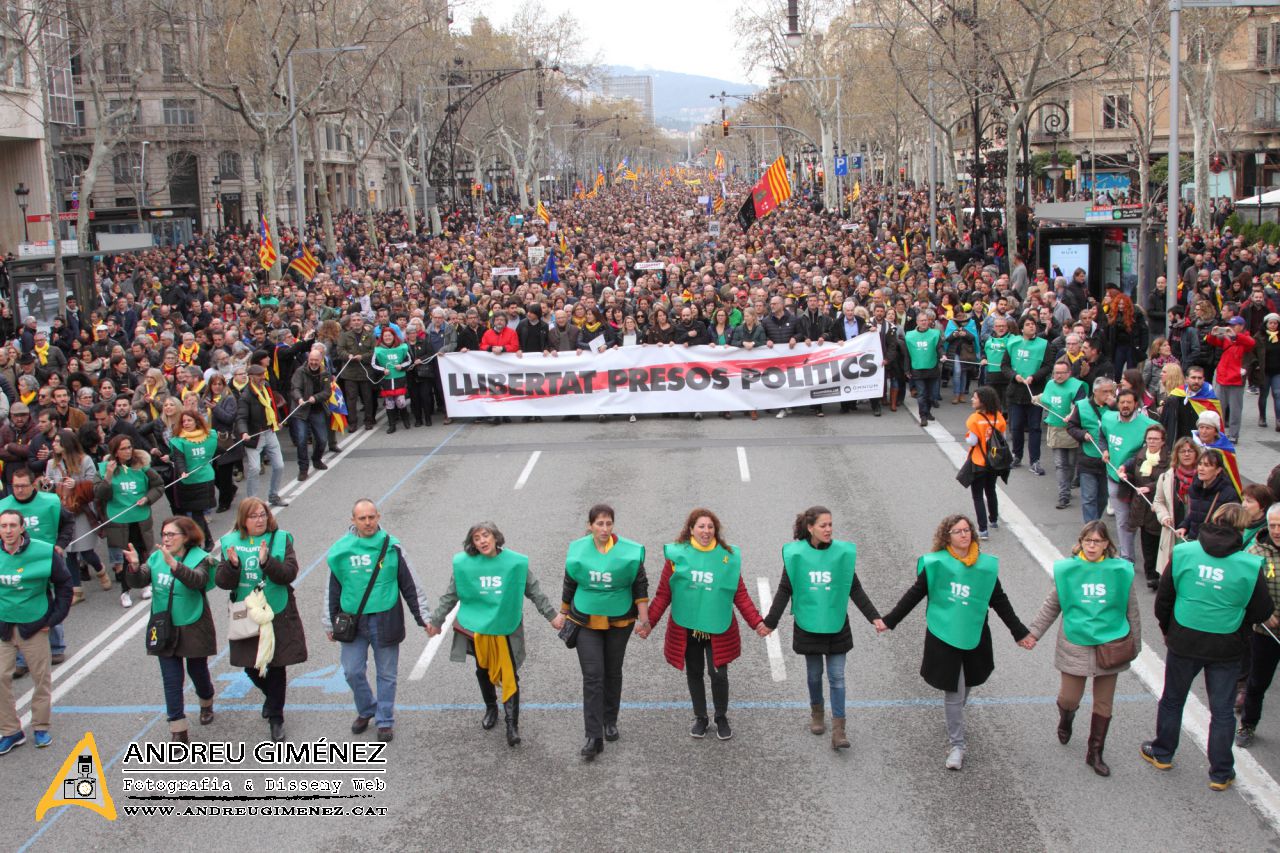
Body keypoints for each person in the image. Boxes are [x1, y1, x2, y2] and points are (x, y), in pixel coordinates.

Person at [881, 514, 1030, 770]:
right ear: (947, 537)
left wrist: (1020, 632)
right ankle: (957, 745)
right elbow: (914, 595)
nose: (964, 535)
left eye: (966, 530)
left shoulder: (985, 567)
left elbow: (1000, 601)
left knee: (968, 685)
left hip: (974, 635)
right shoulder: (936, 565)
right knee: (954, 690)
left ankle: (955, 719)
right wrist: (890, 620)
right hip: (944, 637)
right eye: (958, 531)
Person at [1143, 504, 1273, 791]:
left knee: (1173, 700)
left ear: (1213, 520)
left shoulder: (1184, 552)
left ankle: (1163, 753)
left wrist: (1169, 630)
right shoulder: (1250, 565)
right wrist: (1238, 626)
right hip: (1226, 644)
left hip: (1185, 637)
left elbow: (1164, 599)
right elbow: (1263, 610)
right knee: (1223, 710)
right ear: (1242, 527)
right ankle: (1221, 772)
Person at [427, 521, 561, 748]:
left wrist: (552, 616)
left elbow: (534, 591)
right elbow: (451, 595)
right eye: (477, 538)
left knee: (509, 674)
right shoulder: (465, 565)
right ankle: (491, 707)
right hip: (479, 628)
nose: (482, 541)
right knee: (483, 670)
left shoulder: (515, 563)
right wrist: (436, 621)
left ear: (496, 537)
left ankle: (512, 724)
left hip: (506, 625)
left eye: (485, 536)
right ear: (472, 543)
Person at [762, 506, 886, 750]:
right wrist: (770, 622)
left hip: (836, 625)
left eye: (830, 525)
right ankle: (817, 712)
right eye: (823, 525)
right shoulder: (796, 555)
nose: (829, 529)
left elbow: (855, 588)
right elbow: (785, 589)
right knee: (813, 674)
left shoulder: (841, 554)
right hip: (809, 625)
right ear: (810, 528)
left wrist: (874, 617)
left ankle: (839, 728)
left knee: (837, 676)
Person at [1024, 521, 1141, 777]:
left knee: (1104, 703)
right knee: (1069, 698)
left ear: (1106, 544)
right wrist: (1033, 633)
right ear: (1080, 542)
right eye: (1088, 540)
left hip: (1111, 644)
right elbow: (1052, 605)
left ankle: (1095, 752)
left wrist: (1136, 644)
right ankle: (1066, 719)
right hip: (1075, 643)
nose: (1091, 546)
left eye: (1097, 541)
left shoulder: (1120, 571)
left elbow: (1131, 608)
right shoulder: (1069, 570)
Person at [646, 508, 768, 741]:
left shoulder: (727, 557)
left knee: (718, 674)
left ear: (716, 530)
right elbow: (664, 594)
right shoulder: (677, 555)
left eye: (710, 527)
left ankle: (721, 716)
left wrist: (757, 623)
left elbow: (739, 594)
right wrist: (649, 622)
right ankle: (700, 717)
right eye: (701, 526)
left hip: (718, 628)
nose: (706, 531)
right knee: (694, 672)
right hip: (687, 627)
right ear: (691, 529)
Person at [324, 499, 430, 743]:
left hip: (386, 619)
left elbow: (409, 584)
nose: (368, 522)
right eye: (362, 518)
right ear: (353, 520)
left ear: (378, 517)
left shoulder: (392, 547)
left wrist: (422, 617)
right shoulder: (341, 550)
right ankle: (366, 708)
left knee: (386, 674)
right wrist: (330, 622)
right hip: (353, 622)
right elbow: (333, 588)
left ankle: (384, 720)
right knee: (352, 671)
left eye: (371, 517)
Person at [558, 505, 649, 760]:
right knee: (593, 675)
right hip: (585, 620)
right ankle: (593, 735)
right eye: (599, 524)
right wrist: (562, 613)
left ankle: (610, 720)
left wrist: (644, 620)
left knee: (612, 671)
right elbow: (570, 581)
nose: (604, 529)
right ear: (590, 526)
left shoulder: (629, 552)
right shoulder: (578, 550)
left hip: (619, 620)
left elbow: (639, 584)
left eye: (609, 523)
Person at [215, 498, 307, 743]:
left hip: (277, 611)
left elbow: (289, 573)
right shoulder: (230, 543)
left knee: (276, 666)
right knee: (250, 666)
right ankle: (272, 698)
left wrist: (267, 562)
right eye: (254, 516)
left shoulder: (281, 539)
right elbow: (222, 582)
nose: (260, 520)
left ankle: (276, 717)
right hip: (245, 614)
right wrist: (232, 567)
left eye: (263, 514)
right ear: (243, 520)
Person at [124, 516, 218, 743]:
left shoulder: (201, 558)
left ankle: (206, 701)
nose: (166, 539)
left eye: (171, 534)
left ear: (185, 537)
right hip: (164, 626)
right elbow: (139, 581)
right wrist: (135, 567)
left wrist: (175, 565)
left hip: (193, 625)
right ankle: (178, 728)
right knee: (172, 679)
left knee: (198, 672)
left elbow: (198, 581)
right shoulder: (157, 557)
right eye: (163, 534)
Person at [0, 508, 73, 754]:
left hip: (34, 625)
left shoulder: (43, 551)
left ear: (22, 528)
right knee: (0, 679)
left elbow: (64, 585)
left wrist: (52, 619)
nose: (7, 531)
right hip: (4, 626)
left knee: (41, 678)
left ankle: (40, 726)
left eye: (12, 526)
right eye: (3, 526)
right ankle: (11, 731)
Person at [94, 434, 164, 608]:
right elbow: (100, 495)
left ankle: (145, 584)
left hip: (140, 519)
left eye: (129, 447)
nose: (128, 451)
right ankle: (125, 591)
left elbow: (158, 485)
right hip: (120, 520)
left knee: (141, 553)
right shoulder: (104, 469)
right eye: (123, 448)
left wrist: (147, 498)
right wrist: (108, 477)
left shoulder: (142, 466)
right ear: (115, 452)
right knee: (126, 556)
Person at [1236, 503, 1280, 748]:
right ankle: (1248, 725)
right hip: (1265, 632)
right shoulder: (1254, 553)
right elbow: (1243, 591)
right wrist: (1262, 615)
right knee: (1257, 682)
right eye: (1273, 525)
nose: (1276, 530)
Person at [1101, 388, 1158, 564]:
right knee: (1123, 519)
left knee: (1144, 521)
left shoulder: (1148, 425)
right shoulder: (1108, 418)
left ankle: (1151, 561)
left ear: (1136, 404)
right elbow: (1102, 435)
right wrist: (1104, 449)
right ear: (1117, 404)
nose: (1125, 406)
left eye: (1129, 402)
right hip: (1115, 478)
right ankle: (1127, 557)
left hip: (1140, 481)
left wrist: (1128, 466)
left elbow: (1149, 450)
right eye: (1122, 402)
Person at [1119, 425, 1172, 590]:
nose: (1152, 442)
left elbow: (1167, 479)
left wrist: (1149, 487)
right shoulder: (1141, 455)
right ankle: (1151, 575)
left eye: (1156, 439)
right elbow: (1132, 471)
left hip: (1159, 504)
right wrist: (1124, 472)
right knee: (1146, 541)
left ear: (1163, 442)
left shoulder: (1169, 460)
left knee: (1158, 541)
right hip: (1142, 504)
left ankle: (1161, 573)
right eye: (1149, 438)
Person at [1002, 316, 1052, 474]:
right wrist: (1014, 376)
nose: (1032, 327)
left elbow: (1048, 366)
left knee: (1035, 428)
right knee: (1015, 427)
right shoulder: (1012, 343)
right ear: (1021, 328)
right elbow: (1005, 365)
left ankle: (1035, 460)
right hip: (1016, 391)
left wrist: (1034, 377)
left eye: (1033, 324)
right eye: (1028, 324)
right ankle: (1016, 455)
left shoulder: (1044, 344)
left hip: (1035, 391)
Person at [1035, 360, 1087, 510]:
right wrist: (1037, 399)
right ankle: (1063, 494)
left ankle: (1067, 488)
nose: (1058, 376)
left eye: (1061, 373)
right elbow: (1045, 398)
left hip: (1072, 430)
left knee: (1071, 464)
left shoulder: (1077, 386)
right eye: (1056, 373)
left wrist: (1071, 415)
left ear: (1069, 373)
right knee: (1060, 464)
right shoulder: (1050, 384)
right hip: (1055, 429)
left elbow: (1080, 405)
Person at [236, 365, 289, 508]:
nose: (262, 378)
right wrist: (244, 432)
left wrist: (277, 420)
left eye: (263, 374)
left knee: (279, 465)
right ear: (251, 377)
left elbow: (271, 405)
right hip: (255, 435)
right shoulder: (246, 395)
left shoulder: (267, 386)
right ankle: (251, 502)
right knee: (254, 468)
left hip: (270, 431)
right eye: (259, 375)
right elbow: (241, 417)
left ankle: (274, 496)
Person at [1066, 377, 1117, 522]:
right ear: (1095, 392)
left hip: (1109, 460)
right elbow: (1071, 427)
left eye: (1110, 391)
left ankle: (1095, 523)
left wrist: (1115, 406)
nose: (1108, 395)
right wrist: (1083, 434)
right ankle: (1091, 529)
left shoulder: (1116, 406)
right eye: (1104, 391)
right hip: (1088, 459)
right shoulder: (1082, 406)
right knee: (1089, 498)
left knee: (1102, 498)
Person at [963, 386, 1008, 540]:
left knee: (977, 495)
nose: (972, 400)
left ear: (982, 401)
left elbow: (972, 440)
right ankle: (993, 520)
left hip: (978, 462)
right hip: (994, 462)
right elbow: (1003, 438)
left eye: (975, 398)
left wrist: (968, 435)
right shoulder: (999, 417)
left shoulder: (974, 419)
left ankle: (982, 530)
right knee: (991, 490)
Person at [168, 411, 218, 545]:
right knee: (197, 514)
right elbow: (179, 459)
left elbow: (217, 450)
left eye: (189, 420)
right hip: (188, 481)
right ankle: (208, 541)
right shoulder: (179, 440)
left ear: (196, 421)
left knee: (197, 514)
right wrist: (182, 471)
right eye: (183, 421)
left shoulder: (209, 435)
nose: (186, 423)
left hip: (205, 480)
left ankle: (199, 544)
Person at [288, 346, 331, 479]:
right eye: (311, 360)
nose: (313, 362)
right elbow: (295, 388)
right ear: (308, 359)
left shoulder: (325, 373)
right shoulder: (300, 372)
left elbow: (327, 392)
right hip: (301, 410)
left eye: (316, 360)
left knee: (322, 439)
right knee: (301, 440)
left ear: (321, 360)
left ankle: (316, 459)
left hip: (317, 409)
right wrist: (299, 398)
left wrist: (316, 398)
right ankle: (303, 469)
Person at [1181, 449, 1241, 541]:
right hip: (1193, 541)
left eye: (1207, 465)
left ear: (1218, 470)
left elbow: (1230, 526)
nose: (1201, 468)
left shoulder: (1228, 494)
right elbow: (1194, 513)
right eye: (1200, 464)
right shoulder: (1195, 487)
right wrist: (1184, 526)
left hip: (1212, 544)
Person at [904, 309, 946, 427]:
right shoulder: (910, 336)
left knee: (931, 395)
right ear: (917, 322)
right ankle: (923, 416)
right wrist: (907, 370)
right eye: (921, 320)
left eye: (925, 320)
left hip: (932, 368)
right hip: (917, 369)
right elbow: (907, 354)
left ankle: (927, 412)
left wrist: (943, 355)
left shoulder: (935, 333)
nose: (924, 322)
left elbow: (939, 348)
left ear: (929, 321)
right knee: (922, 394)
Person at [371, 327, 412, 434]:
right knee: (389, 403)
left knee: (401, 402)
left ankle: (405, 420)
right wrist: (383, 370)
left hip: (399, 379)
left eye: (390, 335)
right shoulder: (378, 349)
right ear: (382, 337)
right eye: (385, 336)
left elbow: (409, 360)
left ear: (394, 336)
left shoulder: (402, 347)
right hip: (386, 380)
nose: (388, 338)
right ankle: (392, 425)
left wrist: (401, 366)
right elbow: (373, 364)